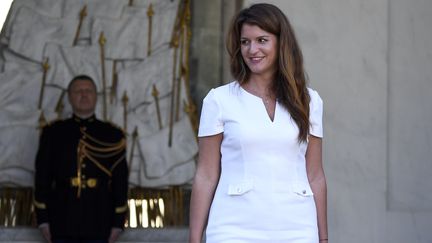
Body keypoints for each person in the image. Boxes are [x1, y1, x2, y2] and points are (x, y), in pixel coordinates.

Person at [189, 3, 328, 243]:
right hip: (233, 228)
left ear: (280, 43)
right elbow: (206, 174)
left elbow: (315, 175)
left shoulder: (310, 100)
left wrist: (323, 238)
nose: (252, 49)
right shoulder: (219, 100)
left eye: (262, 40)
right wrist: (194, 238)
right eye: (245, 42)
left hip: (298, 229)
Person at [34, 75, 129, 243]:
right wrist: (43, 219)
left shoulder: (113, 134)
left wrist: (118, 222)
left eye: (88, 91)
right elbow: (42, 178)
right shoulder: (53, 133)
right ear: (70, 97)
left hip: (100, 220)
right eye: (78, 91)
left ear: (96, 97)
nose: (84, 95)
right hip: (61, 219)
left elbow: (120, 182)